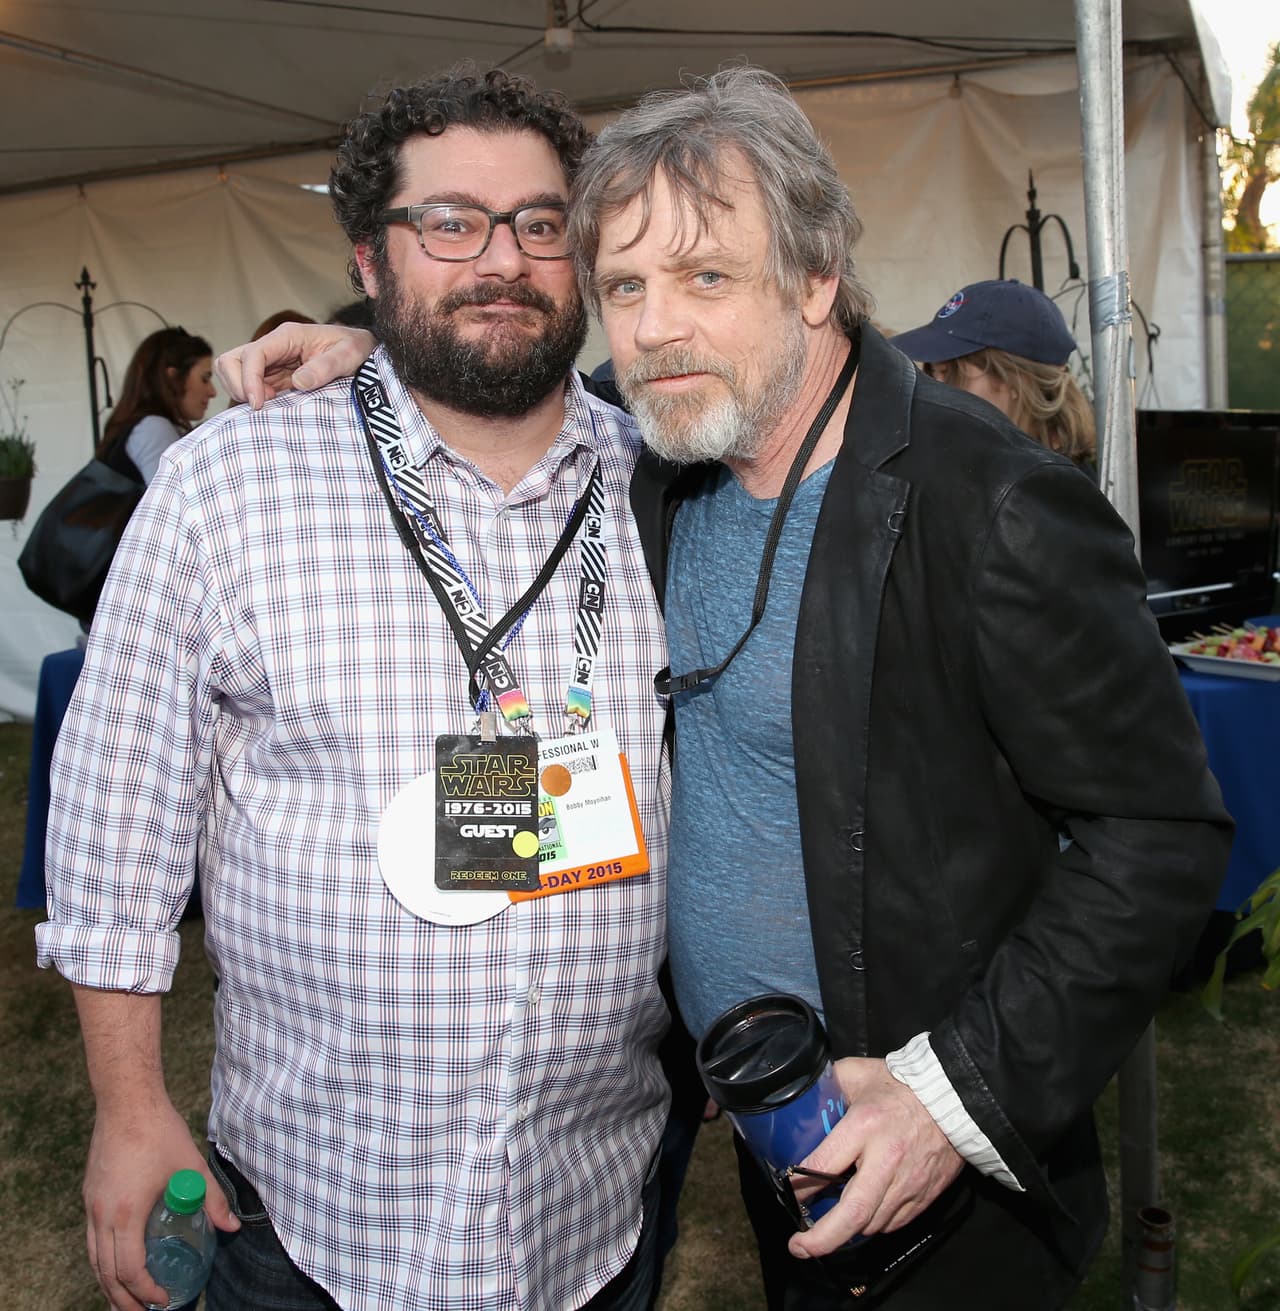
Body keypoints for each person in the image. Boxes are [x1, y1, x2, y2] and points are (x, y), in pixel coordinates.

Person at [239, 65, 1234, 1310]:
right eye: (624, 288)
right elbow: (513, 392)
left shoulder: (988, 508)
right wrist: (376, 354)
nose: (655, 327)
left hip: (918, 1153)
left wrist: (947, 1097)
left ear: (815, 279)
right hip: (746, 1111)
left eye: (706, 277)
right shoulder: (665, 456)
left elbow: (1156, 833)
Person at [37, 67, 672, 1311]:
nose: (502, 260)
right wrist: (129, 1110)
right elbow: (117, 829)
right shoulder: (231, 489)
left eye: (540, 224)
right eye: (450, 223)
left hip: (593, 1203)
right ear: (370, 264)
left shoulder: (672, 484)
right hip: (315, 1215)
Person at [889, 279, 1097, 469]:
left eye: (949, 373)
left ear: (1016, 379)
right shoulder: (967, 460)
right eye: (932, 372)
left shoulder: (1061, 493)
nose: (934, 386)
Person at [100, 327, 215, 484]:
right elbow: (172, 504)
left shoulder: (138, 425)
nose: (212, 392)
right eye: (205, 378)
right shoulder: (154, 428)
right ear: (173, 378)